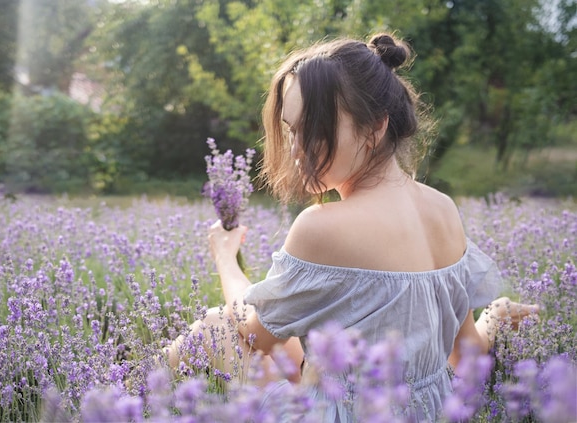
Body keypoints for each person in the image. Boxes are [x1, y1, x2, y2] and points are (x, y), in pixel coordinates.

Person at [169, 33, 538, 422]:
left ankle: (123, 398)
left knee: (217, 324)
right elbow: (466, 355)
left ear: (374, 128)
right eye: (291, 130)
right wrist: (494, 316)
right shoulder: (444, 210)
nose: (296, 150)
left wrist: (226, 258)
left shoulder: (322, 227)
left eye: (312, 129)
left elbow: (253, 337)